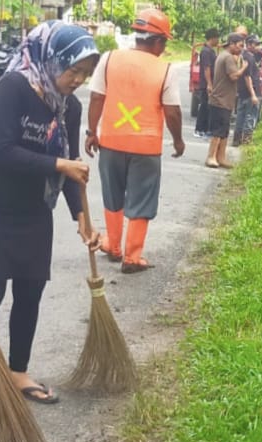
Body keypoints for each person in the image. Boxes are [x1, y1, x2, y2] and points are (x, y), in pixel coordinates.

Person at [0, 22, 100, 412]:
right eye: (72, 70)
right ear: (50, 59)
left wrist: (80, 218)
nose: (76, 80)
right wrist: (58, 163)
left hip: (34, 212)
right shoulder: (13, 89)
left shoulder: (68, 107)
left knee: (30, 292)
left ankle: (18, 370)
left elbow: (70, 166)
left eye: (84, 74)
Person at [86, 8, 184, 274]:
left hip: (111, 143)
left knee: (112, 193)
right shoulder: (166, 69)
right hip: (146, 147)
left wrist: (91, 132)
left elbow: (97, 97)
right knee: (142, 199)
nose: (164, 48)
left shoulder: (109, 58)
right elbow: (172, 111)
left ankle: (113, 247)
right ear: (157, 41)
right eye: (164, 42)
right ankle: (132, 256)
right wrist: (178, 141)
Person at [205, 33, 248, 168]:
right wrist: (243, 67)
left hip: (225, 100)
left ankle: (221, 157)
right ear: (232, 44)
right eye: (240, 46)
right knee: (218, 131)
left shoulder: (223, 55)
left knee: (224, 131)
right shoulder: (228, 58)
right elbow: (234, 76)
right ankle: (211, 156)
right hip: (220, 100)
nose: (241, 49)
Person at [231, 35, 261, 147]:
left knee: (240, 115)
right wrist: (253, 94)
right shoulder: (248, 58)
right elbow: (247, 77)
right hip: (249, 92)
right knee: (250, 116)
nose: (258, 47)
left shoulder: (242, 56)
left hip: (242, 92)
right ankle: (246, 141)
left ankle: (237, 139)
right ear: (249, 45)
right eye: (256, 44)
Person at [193, 28, 219, 139]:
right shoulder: (206, 52)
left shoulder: (210, 50)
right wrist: (209, 84)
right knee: (204, 106)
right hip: (206, 84)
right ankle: (199, 129)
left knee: (207, 106)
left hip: (209, 83)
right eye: (217, 38)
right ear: (213, 38)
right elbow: (207, 69)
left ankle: (204, 128)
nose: (218, 41)